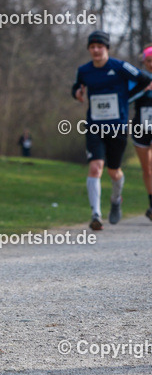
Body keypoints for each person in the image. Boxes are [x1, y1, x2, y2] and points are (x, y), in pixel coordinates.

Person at [72, 31, 152, 230]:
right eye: (92, 47)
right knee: (95, 167)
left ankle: (116, 200)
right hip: (94, 125)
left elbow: (144, 79)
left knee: (114, 171)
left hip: (117, 126)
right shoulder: (84, 70)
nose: (96, 50)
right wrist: (77, 92)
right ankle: (96, 215)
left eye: (100, 46)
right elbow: (77, 85)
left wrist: (126, 97)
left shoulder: (120, 67)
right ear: (89, 49)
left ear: (107, 48)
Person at [129, 45, 152, 221]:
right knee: (147, 168)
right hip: (141, 127)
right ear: (143, 62)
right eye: (149, 60)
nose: (151, 64)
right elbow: (126, 98)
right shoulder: (138, 79)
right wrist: (143, 89)